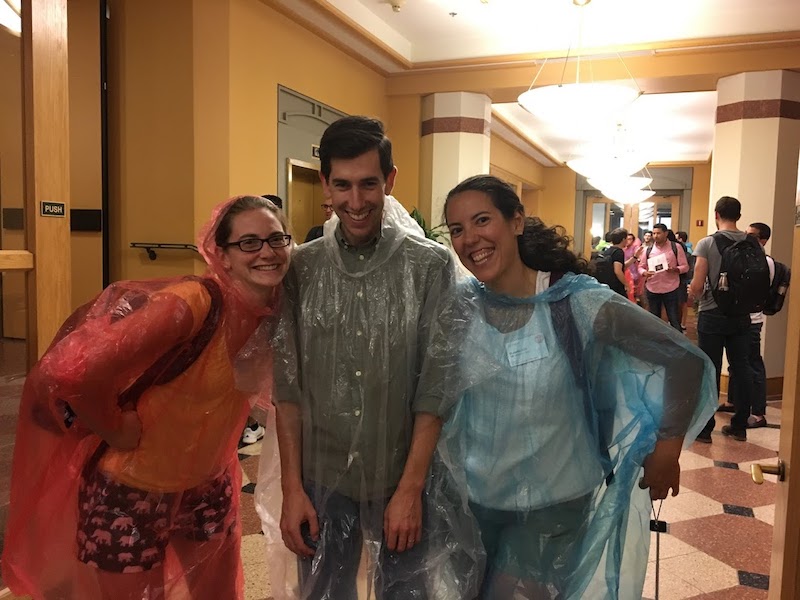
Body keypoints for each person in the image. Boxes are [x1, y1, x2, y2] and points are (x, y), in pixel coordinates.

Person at [2, 196, 292, 599]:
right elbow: (77, 373)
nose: (267, 252)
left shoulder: (272, 312)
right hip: (129, 490)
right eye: (249, 242)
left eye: (277, 239)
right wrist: (116, 428)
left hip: (208, 485)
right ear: (220, 255)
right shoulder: (192, 304)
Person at [441, 175, 716, 599]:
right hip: (476, 500)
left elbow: (681, 359)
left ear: (516, 221)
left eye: (482, 220)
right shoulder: (462, 307)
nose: (470, 239)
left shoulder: (575, 302)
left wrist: (667, 450)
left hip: (553, 503)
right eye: (457, 230)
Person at [261, 116, 476, 599]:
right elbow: (288, 389)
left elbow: (436, 385)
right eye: (342, 185)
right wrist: (292, 488)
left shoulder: (429, 266)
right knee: (324, 592)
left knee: (406, 592)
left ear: (390, 181)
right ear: (325, 184)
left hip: (400, 471)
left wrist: (410, 488)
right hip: (320, 474)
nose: (355, 202)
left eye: (368, 184)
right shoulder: (301, 268)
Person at [689, 196, 759, 443]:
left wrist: (692, 294)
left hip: (712, 313)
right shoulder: (752, 243)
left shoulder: (708, 242)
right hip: (742, 315)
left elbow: (697, 285)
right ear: (738, 216)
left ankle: (705, 430)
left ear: (716, 214)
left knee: (710, 369)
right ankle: (739, 425)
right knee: (741, 367)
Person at [723, 221, 775, 428]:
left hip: (752, 320)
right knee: (737, 362)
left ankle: (759, 412)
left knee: (753, 364)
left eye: (752, 235)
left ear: (763, 240)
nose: (747, 237)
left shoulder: (765, 262)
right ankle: (733, 401)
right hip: (739, 319)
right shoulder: (744, 258)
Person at [638, 223, 689, 331]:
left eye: (659, 233)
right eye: (654, 233)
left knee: (674, 319)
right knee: (653, 319)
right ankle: (656, 343)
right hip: (653, 288)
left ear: (665, 233)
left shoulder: (676, 247)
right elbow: (641, 267)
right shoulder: (648, 250)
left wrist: (675, 269)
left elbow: (685, 266)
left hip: (671, 288)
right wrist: (644, 273)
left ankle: (677, 343)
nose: (656, 236)